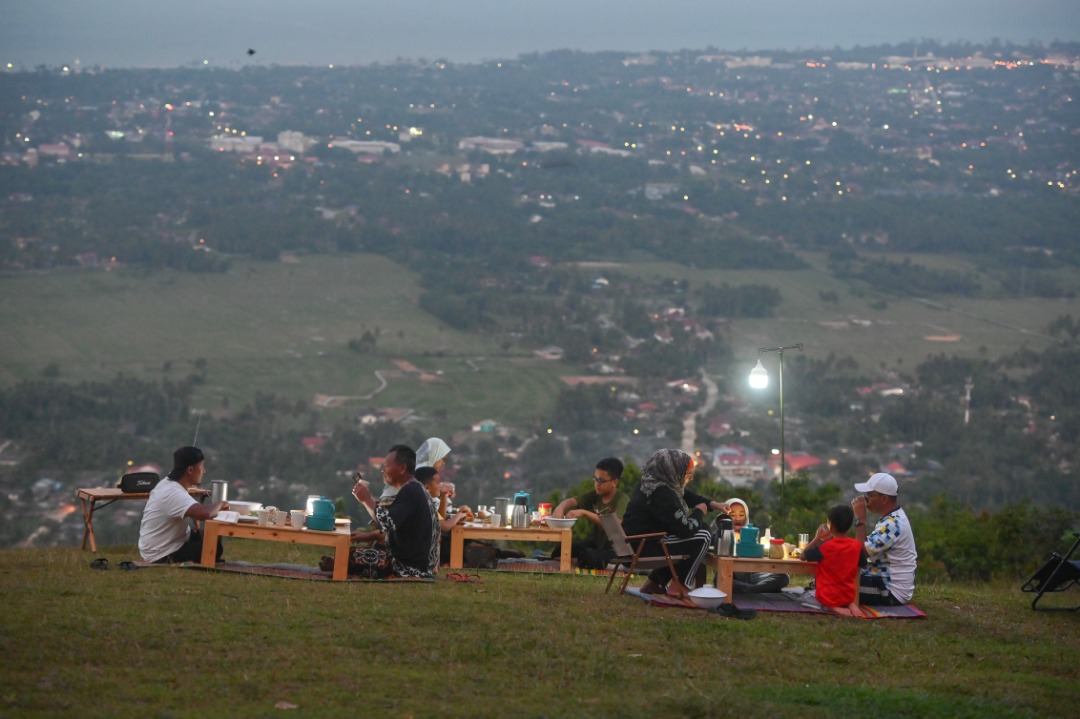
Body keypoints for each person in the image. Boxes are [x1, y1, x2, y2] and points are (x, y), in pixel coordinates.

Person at [620, 449, 713, 598]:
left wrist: (710, 503)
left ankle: (653, 583)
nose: (690, 478)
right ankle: (679, 586)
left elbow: (682, 494)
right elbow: (686, 530)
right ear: (674, 472)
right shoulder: (662, 494)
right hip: (644, 547)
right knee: (703, 534)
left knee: (678, 539)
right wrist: (699, 512)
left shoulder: (649, 484)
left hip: (634, 544)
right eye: (688, 474)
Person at [344, 444, 439, 579]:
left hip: (408, 568)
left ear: (402, 468)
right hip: (420, 566)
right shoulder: (415, 489)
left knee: (347, 556)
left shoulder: (411, 491)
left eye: (386, 466)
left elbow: (386, 522)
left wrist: (366, 500)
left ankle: (337, 567)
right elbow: (394, 524)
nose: (383, 470)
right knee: (354, 555)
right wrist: (367, 536)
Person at [138, 446, 228, 564]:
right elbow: (205, 513)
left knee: (210, 535)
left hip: (159, 545)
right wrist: (221, 503)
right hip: (162, 554)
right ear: (190, 470)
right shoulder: (173, 492)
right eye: (201, 466)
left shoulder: (167, 483)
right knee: (215, 546)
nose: (204, 471)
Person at [550, 457, 630, 569]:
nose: (597, 484)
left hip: (615, 549)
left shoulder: (622, 499)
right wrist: (560, 507)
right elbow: (572, 501)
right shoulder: (596, 495)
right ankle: (578, 561)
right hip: (596, 544)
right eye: (595, 479)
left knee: (590, 557)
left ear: (614, 482)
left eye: (601, 480)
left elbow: (616, 523)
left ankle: (616, 565)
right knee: (560, 551)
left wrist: (585, 513)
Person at [851, 473, 918, 605]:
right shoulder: (891, 518)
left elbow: (860, 554)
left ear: (884, 498)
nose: (865, 499)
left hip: (890, 591)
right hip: (881, 581)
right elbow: (865, 547)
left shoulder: (893, 524)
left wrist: (860, 520)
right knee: (836, 577)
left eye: (869, 495)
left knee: (836, 583)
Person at [800, 504, 868, 616]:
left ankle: (833, 608)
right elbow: (863, 565)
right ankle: (850, 604)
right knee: (842, 591)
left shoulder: (825, 547)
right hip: (847, 594)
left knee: (803, 597)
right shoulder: (856, 545)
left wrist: (817, 537)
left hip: (827, 596)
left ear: (831, 526)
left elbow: (802, 556)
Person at [725, 496, 789, 594]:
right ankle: (759, 588)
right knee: (720, 579)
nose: (737, 519)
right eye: (732, 515)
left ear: (746, 517)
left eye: (741, 515)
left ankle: (750, 589)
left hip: (754, 573)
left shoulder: (750, 533)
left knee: (783, 577)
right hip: (732, 573)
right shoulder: (722, 534)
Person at [417, 465, 474, 566]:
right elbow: (445, 526)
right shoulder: (424, 504)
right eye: (438, 483)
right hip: (422, 552)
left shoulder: (423, 499)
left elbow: (440, 518)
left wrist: (444, 496)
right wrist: (459, 515)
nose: (440, 485)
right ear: (427, 487)